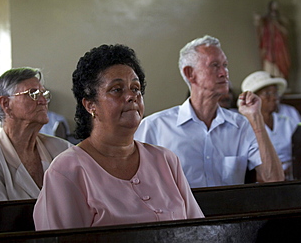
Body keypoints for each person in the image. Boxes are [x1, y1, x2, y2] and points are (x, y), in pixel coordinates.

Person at [33, 44, 204, 230]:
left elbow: (198, 231)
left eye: (136, 88)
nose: (132, 96)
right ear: (90, 105)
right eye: (117, 89)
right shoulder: (67, 172)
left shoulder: (166, 161)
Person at [134, 35, 284, 188]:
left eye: (225, 65)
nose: (224, 73)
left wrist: (256, 118)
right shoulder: (155, 127)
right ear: (190, 74)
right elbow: (136, 185)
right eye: (215, 65)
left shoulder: (240, 126)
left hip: (231, 212)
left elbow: (274, 179)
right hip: (180, 212)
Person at [0, 67, 73, 203]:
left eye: (44, 94)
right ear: (6, 104)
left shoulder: (63, 150)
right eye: (33, 93)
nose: (43, 101)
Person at [241, 71, 298, 179]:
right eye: (267, 93)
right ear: (253, 99)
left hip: (292, 175)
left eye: (275, 93)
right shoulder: (244, 126)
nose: (274, 98)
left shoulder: (287, 121)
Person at [254, 0, 291, 80]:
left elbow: (285, 31)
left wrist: (277, 23)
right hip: (269, 45)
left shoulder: (281, 20)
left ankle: (282, 79)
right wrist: (258, 21)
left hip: (279, 45)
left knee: (282, 62)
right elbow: (260, 28)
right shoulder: (266, 20)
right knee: (269, 63)